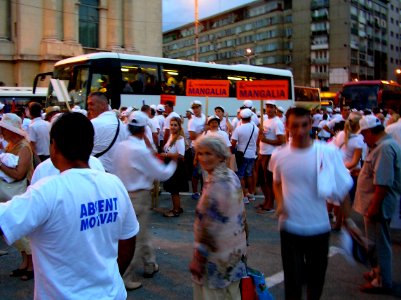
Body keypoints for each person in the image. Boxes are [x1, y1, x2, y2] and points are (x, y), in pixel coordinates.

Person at [0, 112, 139, 299]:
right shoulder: (114, 184)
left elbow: (5, 221)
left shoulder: (48, 191)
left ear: (54, 146)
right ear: (90, 145)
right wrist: (112, 278)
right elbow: (128, 239)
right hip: (111, 294)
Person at [269, 107, 352, 299]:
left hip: (320, 228)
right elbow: (277, 183)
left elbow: (343, 190)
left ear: (310, 123)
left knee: (316, 282)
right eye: (294, 126)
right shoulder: (279, 155)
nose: (300, 131)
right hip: (290, 228)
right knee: (293, 283)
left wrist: (349, 221)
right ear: (287, 127)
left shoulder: (327, 152)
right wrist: (280, 203)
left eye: (304, 125)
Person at [112, 111, 178, 290]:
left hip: (123, 193)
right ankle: (125, 276)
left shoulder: (120, 146)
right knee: (135, 237)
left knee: (141, 232)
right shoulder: (139, 149)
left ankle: (150, 264)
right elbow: (161, 173)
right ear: (143, 130)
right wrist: (174, 162)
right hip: (138, 196)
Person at [190, 135, 247, 300]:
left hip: (216, 259)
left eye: (209, 153)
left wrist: (197, 259)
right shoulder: (230, 175)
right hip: (235, 252)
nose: (203, 158)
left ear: (221, 156)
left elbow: (209, 228)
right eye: (200, 153)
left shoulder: (217, 185)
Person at [353, 115, 401, 294]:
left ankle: (382, 281)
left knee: (380, 244)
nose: (363, 138)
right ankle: (376, 273)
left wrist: (374, 207)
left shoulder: (384, 148)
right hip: (373, 204)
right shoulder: (380, 147)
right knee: (374, 241)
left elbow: (383, 184)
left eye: (364, 134)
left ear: (370, 132)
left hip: (377, 205)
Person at [0, 113, 34, 280]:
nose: (1, 131)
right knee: (16, 230)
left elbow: (19, 174)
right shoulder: (11, 145)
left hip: (20, 192)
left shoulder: (23, 147)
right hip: (12, 193)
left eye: (4, 129)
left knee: (23, 231)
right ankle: (24, 263)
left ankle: (31, 265)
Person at [255, 100, 285, 212]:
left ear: (275, 109)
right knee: (261, 180)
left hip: (271, 154)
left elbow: (281, 141)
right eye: (267, 106)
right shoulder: (264, 121)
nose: (269, 109)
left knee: (269, 180)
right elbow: (261, 137)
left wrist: (266, 140)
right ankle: (266, 200)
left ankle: (271, 203)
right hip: (262, 153)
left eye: (271, 107)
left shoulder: (277, 123)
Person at [87, 92, 129, 173]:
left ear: (103, 105)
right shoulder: (121, 124)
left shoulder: (93, 123)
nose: (88, 107)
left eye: (91, 104)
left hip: (97, 173)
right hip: (117, 174)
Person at [161, 117, 188, 217]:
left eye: (175, 125)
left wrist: (166, 155)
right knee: (173, 190)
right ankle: (176, 207)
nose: (173, 127)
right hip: (171, 164)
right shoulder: (172, 136)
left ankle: (176, 210)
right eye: (171, 125)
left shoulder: (179, 138)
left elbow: (181, 155)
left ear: (179, 126)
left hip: (176, 166)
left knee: (174, 190)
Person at [231, 108, 259, 204]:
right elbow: (258, 141)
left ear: (241, 117)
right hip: (252, 155)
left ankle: (244, 195)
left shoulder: (239, 128)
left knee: (241, 176)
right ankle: (250, 194)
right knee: (249, 174)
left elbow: (233, 142)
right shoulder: (256, 128)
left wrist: (231, 152)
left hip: (242, 154)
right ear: (250, 117)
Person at [188, 100, 206, 200]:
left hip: (205, 147)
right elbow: (192, 136)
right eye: (194, 108)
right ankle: (195, 191)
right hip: (196, 148)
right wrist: (203, 131)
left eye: (197, 107)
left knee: (204, 171)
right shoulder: (192, 121)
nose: (195, 110)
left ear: (200, 108)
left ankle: (203, 190)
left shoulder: (205, 117)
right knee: (196, 171)